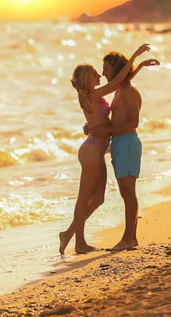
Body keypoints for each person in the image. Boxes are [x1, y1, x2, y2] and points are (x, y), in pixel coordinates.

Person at [60, 44, 155, 255]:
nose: (101, 75)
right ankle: (79, 242)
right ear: (86, 79)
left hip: (101, 148)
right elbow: (118, 80)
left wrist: (137, 64)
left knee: (101, 198)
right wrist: (136, 59)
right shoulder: (94, 94)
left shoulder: (97, 94)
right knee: (86, 197)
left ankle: (70, 234)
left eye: (102, 71)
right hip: (94, 150)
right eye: (96, 73)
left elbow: (120, 81)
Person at [90, 50, 156, 251]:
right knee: (125, 193)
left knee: (128, 193)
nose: (104, 74)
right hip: (120, 144)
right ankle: (131, 238)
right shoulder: (120, 88)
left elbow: (133, 122)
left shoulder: (129, 91)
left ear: (117, 70)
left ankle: (128, 238)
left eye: (106, 69)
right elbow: (123, 79)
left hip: (128, 143)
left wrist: (107, 129)